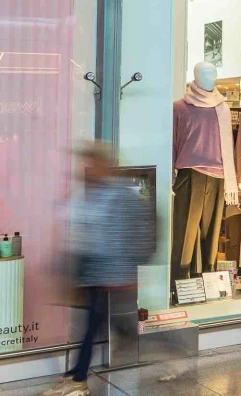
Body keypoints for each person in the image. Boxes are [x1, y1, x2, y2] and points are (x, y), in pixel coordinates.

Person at [44, 145, 155, 396]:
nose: (86, 171)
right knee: (99, 326)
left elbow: (143, 230)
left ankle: (77, 379)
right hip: (97, 274)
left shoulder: (122, 194)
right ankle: (75, 377)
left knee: (97, 327)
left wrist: (130, 268)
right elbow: (85, 233)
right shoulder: (91, 194)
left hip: (114, 276)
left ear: (103, 165)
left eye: (92, 164)